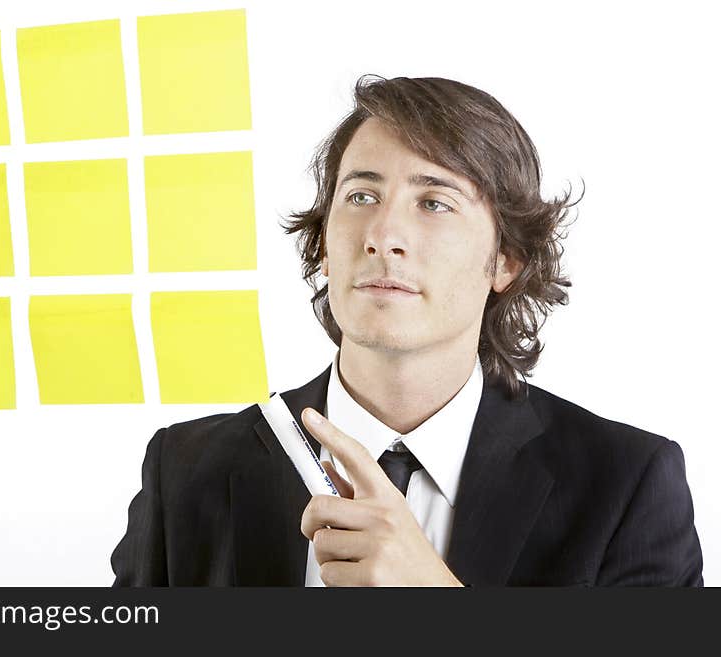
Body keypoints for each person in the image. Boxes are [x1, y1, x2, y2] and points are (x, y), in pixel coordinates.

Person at [110, 75, 703, 586]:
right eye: (361, 195)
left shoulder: (626, 483)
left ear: (507, 260)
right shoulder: (186, 469)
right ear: (321, 244)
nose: (382, 235)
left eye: (435, 203)